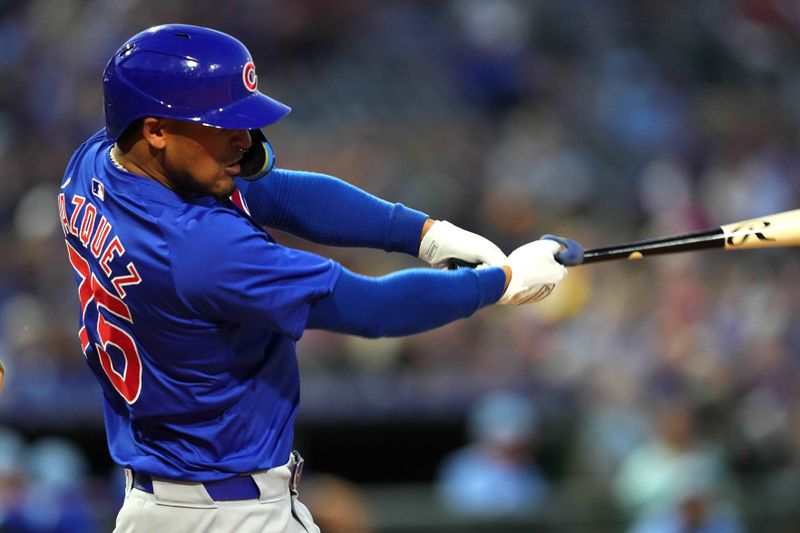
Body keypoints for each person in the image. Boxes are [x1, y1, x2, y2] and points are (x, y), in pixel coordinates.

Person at [57, 24, 579, 532]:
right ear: (156, 130)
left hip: (152, 509)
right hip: (233, 514)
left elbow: (276, 192)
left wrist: (424, 234)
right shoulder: (202, 247)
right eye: (221, 125)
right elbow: (371, 308)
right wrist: (500, 281)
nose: (245, 139)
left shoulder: (94, 164)